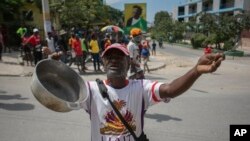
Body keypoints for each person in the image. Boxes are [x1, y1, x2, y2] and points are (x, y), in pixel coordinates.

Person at [78, 43, 225, 141]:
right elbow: (60, 99)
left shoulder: (141, 88)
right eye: (109, 58)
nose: (114, 61)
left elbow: (170, 90)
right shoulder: (90, 89)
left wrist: (196, 70)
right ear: (103, 63)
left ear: (129, 63)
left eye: (119, 57)